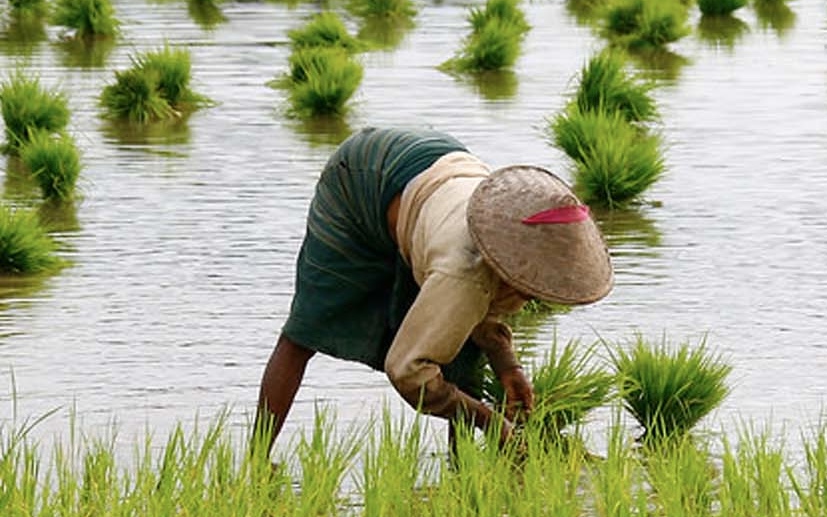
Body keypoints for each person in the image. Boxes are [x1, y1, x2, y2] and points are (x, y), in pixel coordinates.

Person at [253, 126, 614, 459]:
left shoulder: (506, 253)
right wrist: (487, 419)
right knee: (305, 331)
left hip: (441, 170)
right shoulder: (465, 270)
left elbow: (483, 311)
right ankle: (256, 462)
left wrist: (507, 365)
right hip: (362, 175)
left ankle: (462, 474)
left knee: (464, 358)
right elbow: (407, 371)